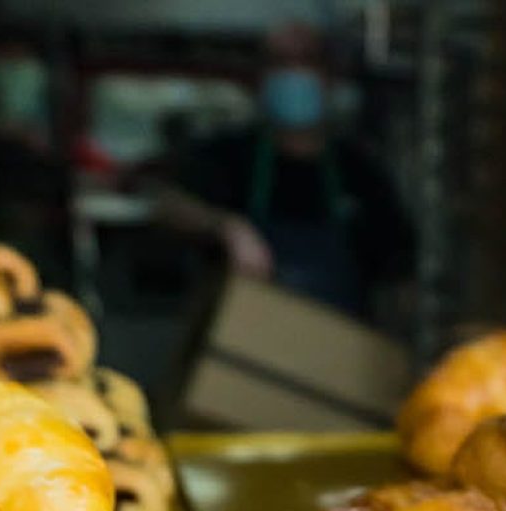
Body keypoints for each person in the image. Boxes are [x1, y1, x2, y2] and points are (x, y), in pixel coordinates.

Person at [157, 22, 415, 319]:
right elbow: (168, 207)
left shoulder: (361, 170)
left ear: (329, 78)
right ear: (261, 79)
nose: (294, 74)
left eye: (306, 60)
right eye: (280, 63)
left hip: (337, 346)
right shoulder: (227, 155)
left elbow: (400, 266)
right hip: (241, 342)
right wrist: (226, 226)